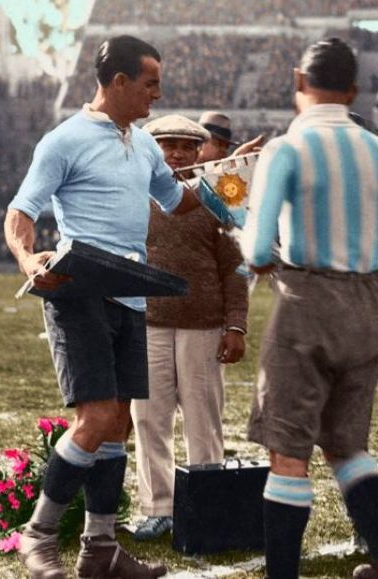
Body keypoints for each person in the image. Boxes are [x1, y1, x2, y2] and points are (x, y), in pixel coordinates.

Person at [4, 35, 199, 579]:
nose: (157, 94)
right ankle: (39, 535)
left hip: (131, 293)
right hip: (79, 291)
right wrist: (26, 259)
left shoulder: (143, 143)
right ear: (118, 82)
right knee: (95, 419)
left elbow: (180, 200)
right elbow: (20, 212)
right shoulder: (64, 140)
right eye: (150, 84)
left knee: (117, 428)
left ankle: (100, 550)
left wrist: (238, 174)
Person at [240, 38, 378, 579]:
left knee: (289, 450)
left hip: (308, 302)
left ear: (298, 79)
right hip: (369, 301)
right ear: (352, 90)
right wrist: (371, 252)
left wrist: (249, 241)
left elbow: (256, 251)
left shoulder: (287, 150)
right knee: (349, 446)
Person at [130, 114, 249, 541]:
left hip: (203, 326)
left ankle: (207, 508)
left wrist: (236, 326)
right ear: (152, 149)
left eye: (185, 145)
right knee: (148, 421)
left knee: (204, 421)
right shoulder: (133, 195)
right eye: (167, 145)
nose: (176, 152)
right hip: (147, 326)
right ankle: (157, 509)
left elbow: (235, 269)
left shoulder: (214, 200)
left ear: (200, 151)